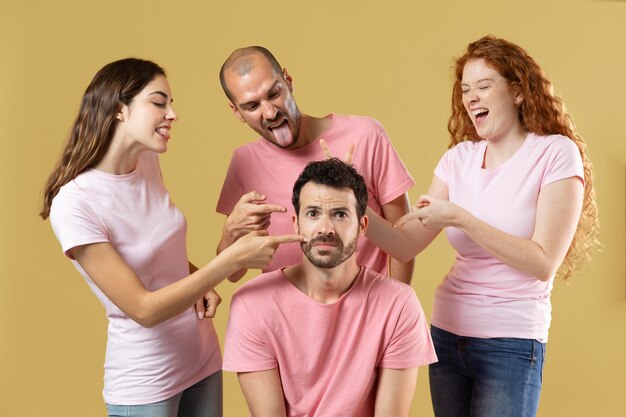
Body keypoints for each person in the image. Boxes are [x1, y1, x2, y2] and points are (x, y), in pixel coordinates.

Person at [40, 58, 303, 417]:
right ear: (120, 110)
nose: (173, 114)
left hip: (203, 361)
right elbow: (143, 309)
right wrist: (231, 259)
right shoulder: (74, 204)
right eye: (159, 102)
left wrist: (196, 276)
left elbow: (156, 252)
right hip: (147, 382)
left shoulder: (146, 161)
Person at [366, 35, 600, 417]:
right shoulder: (458, 160)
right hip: (445, 335)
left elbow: (542, 263)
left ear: (518, 90)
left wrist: (459, 217)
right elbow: (404, 245)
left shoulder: (555, 153)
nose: (470, 97)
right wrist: (351, 208)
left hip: (511, 343)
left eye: (483, 86)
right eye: (465, 90)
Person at [223, 158, 437, 417]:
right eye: (313, 213)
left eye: (340, 214)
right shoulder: (252, 304)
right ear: (296, 223)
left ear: (362, 226)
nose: (325, 229)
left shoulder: (399, 305)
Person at [216, 46, 415, 284]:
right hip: (288, 317)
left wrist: (396, 311)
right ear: (236, 112)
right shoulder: (244, 163)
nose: (269, 113)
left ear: (288, 81)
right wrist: (230, 231)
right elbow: (233, 274)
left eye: (274, 93)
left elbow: (404, 243)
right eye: (252, 106)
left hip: (367, 313)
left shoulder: (365, 135)